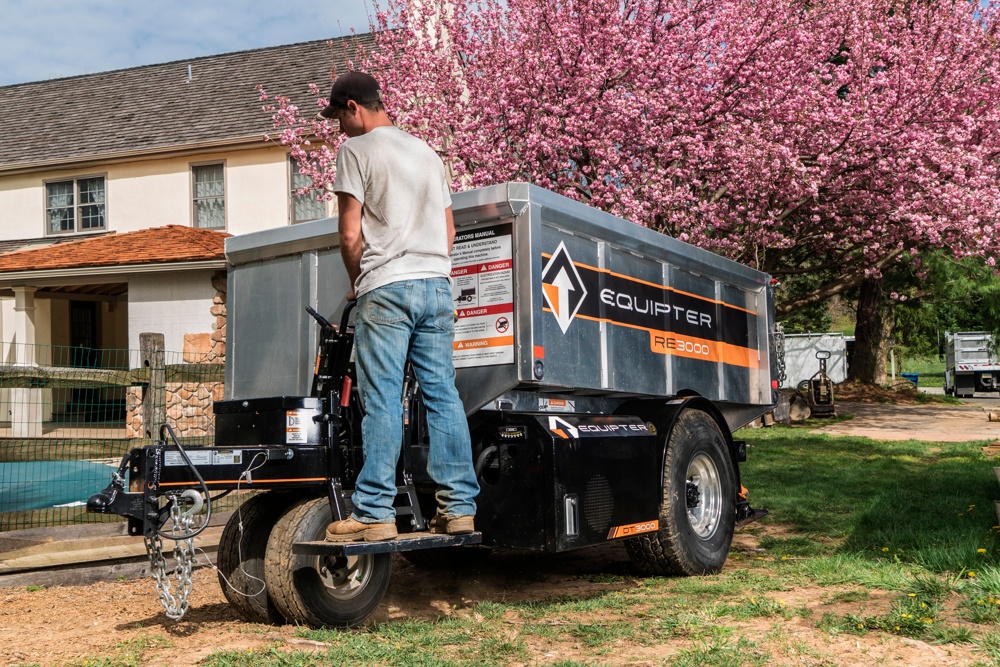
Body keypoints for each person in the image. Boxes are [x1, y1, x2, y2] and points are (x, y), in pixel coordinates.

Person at [319, 71, 479, 542]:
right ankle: (459, 508)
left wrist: (357, 282)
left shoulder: (355, 151)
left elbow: (350, 233)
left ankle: (374, 512)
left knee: (382, 398)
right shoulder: (427, 153)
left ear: (353, 106)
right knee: (442, 394)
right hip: (437, 285)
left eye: (338, 117)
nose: (338, 127)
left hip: (386, 286)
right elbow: (449, 231)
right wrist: (428, 268)